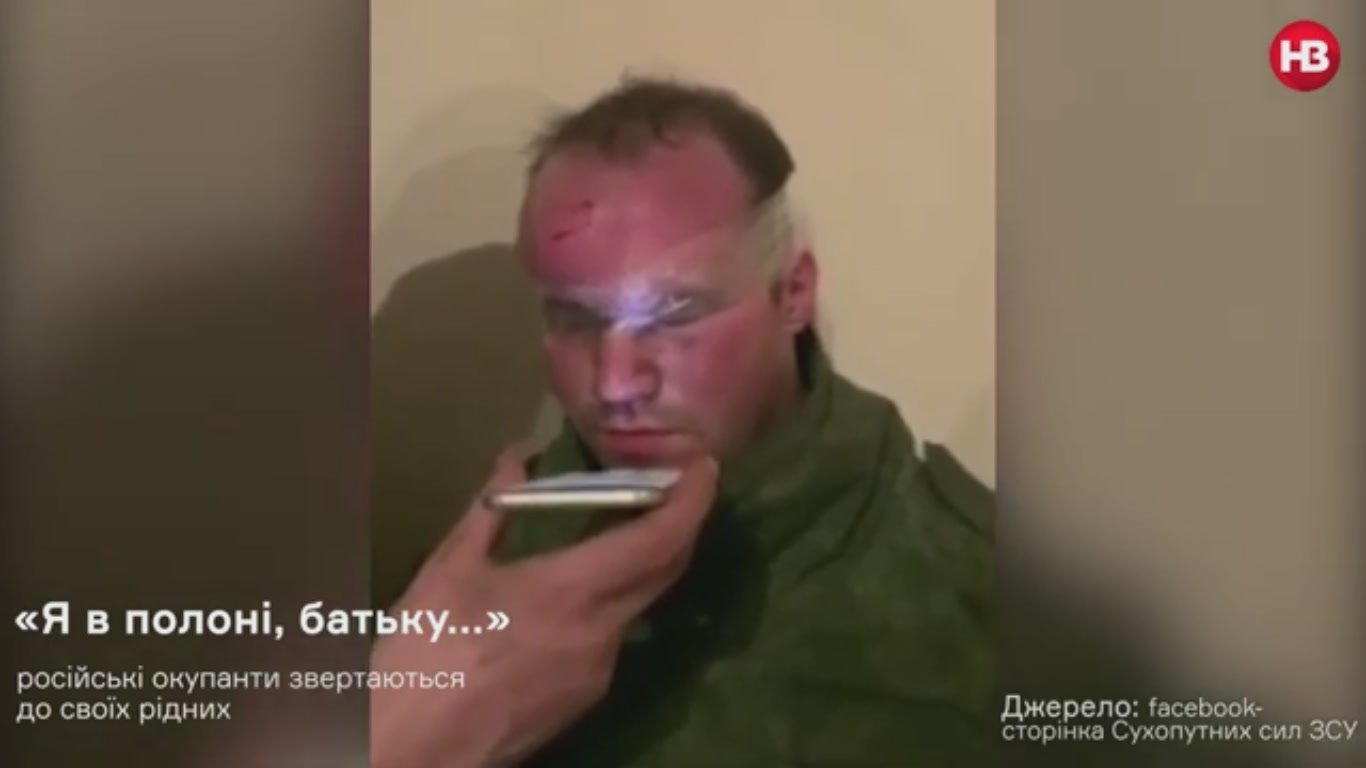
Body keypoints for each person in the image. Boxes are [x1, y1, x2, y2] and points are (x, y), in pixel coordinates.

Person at [372, 76, 994, 767]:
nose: (614, 383)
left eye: (674, 314)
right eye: (575, 317)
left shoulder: (976, 601)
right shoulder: (484, 565)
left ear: (792, 293)